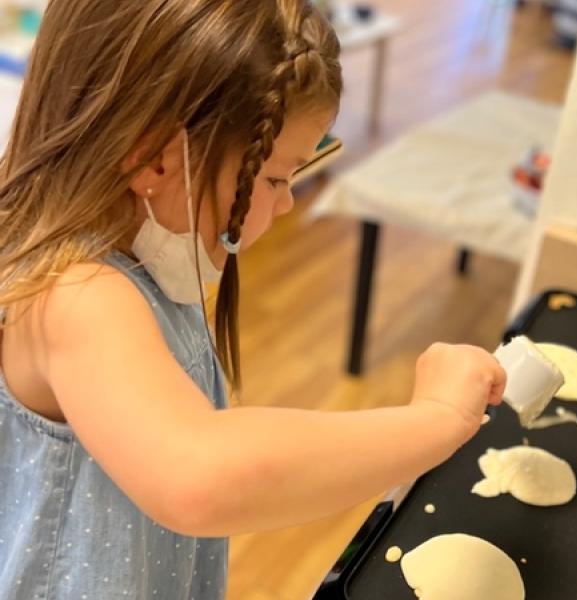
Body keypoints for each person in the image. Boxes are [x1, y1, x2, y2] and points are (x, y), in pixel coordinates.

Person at [0, 1, 507, 598]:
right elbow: (198, 474)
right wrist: (436, 421)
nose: (287, 202)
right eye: (274, 178)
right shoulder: (77, 294)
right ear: (155, 157)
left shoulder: (145, 259)